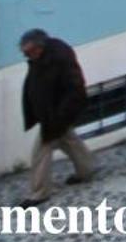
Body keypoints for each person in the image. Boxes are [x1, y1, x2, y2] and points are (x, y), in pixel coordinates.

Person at [19, 29, 96, 205]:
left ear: (40, 47)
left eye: (29, 52)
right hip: (50, 112)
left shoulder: (59, 57)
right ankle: (87, 170)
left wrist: (61, 114)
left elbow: (74, 87)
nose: (28, 56)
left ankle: (39, 192)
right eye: (25, 53)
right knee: (69, 140)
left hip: (56, 113)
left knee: (41, 150)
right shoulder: (41, 58)